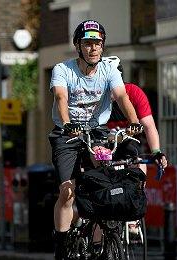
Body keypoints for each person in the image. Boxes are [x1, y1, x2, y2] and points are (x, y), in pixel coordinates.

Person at [48, 20, 143, 259]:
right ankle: (61, 244)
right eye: (88, 43)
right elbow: (61, 98)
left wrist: (134, 122)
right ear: (78, 46)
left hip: (97, 131)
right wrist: (68, 123)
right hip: (67, 134)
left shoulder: (109, 69)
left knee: (107, 181)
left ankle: (101, 236)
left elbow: (121, 96)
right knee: (67, 191)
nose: (93, 49)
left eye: (97, 44)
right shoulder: (63, 69)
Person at [104, 56, 168, 171]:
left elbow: (149, 126)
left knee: (138, 161)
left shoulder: (134, 92)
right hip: (102, 143)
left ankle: (139, 188)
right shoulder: (93, 96)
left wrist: (156, 152)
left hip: (129, 142)